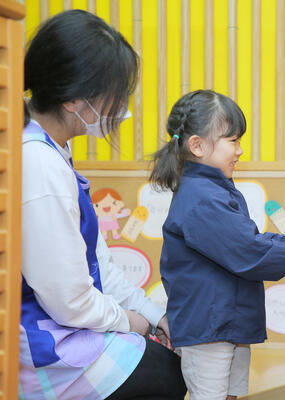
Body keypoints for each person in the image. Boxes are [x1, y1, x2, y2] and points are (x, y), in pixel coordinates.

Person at [21, 10, 186, 399]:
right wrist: (132, 323)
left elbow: (99, 266)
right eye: (115, 92)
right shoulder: (40, 166)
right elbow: (70, 301)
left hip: (66, 326)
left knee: (168, 366)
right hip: (47, 348)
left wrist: (152, 315)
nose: (121, 105)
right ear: (76, 99)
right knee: (164, 376)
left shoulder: (51, 150)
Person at [149, 89, 285, 400]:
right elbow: (244, 250)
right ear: (197, 145)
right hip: (209, 328)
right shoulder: (201, 196)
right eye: (232, 140)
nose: (240, 150)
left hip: (226, 325)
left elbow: (244, 238)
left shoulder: (213, 189)